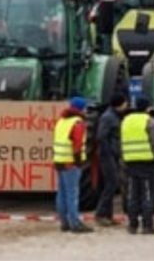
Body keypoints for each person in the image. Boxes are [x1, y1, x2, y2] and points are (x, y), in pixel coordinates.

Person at [121, 97, 154, 235]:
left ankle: (132, 225)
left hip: (130, 163)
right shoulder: (150, 121)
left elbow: (122, 141)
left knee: (132, 195)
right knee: (147, 195)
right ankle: (147, 226)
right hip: (147, 163)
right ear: (148, 108)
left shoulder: (126, 121)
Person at [53, 96, 93, 233]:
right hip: (71, 163)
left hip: (59, 161)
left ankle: (64, 222)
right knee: (72, 194)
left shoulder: (61, 121)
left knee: (62, 193)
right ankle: (75, 223)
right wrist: (78, 161)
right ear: (81, 108)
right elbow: (76, 145)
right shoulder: (78, 123)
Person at [94, 92, 128, 226]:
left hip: (112, 155)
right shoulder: (108, 117)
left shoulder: (114, 116)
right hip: (107, 155)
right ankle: (101, 214)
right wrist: (109, 152)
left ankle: (108, 215)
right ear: (119, 104)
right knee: (111, 184)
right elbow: (102, 136)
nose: (127, 105)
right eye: (125, 103)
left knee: (112, 184)